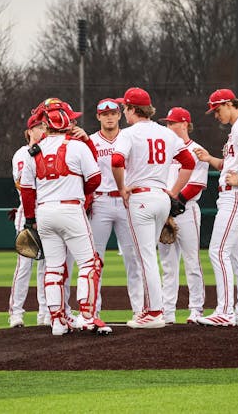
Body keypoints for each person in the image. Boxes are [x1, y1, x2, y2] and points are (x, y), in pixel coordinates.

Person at [19, 98, 112, 336]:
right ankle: (89, 317)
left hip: (45, 211)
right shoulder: (77, 146)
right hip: (71, 209)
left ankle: (58, 322)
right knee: (90, 264)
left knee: (54, 268)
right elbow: (95, 179)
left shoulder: (32, 152)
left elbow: (27, 191)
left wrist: (30, 220)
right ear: (63, 120)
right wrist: (77, 186)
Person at [111, 87, 195, 329]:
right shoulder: (166, 134)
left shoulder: (129, 134)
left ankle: (155, 313)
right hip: (161, 197)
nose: (123, 112)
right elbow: (188, 162)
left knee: (144, 256)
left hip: (141, 198)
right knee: (149, 255)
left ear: (132, 109)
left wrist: (121, 188)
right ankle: (152, 309)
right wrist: (173, 192)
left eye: (124, 107)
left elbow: (116, 162)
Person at [194, 89, 238, 327]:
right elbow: (230, 164)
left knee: (217, 251)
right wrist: (209, 159)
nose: (216, 115)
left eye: (218, 109)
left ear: (230, 103)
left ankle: (224, 311)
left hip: (237, 195)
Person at [88, 98, 143, 320]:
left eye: (113, 112)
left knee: (133, 257)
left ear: (120, 115)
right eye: (105, 113)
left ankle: (139, 310)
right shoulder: (90, 141)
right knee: (95, 258)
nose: (109, 116)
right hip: (100, 201)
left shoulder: (130, 138)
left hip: (125, 201)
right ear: (98, 116)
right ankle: (93, 310)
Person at [158, 107, 208, 324]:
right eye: (167, 123)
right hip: (164, 211)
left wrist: (172, 206)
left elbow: (196, 185)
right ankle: (167, 311)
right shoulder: (165, 151)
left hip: (186, 211)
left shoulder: (197, 150)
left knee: (192, 262)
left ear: (185, 124)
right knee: (168, 265)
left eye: (173, 123)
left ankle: (196, 309)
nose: (168, 127)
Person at [8, 113, 50, 328]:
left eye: (45, 126)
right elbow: (23, 185)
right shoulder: (22, 154)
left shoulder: (50, 151)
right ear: (30, 131)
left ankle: (45, 313)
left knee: (47, 265)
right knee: (24, 265)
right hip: (28, 212)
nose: (43, 130)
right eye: (39, 126)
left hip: (48, 211)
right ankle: (16, 312)